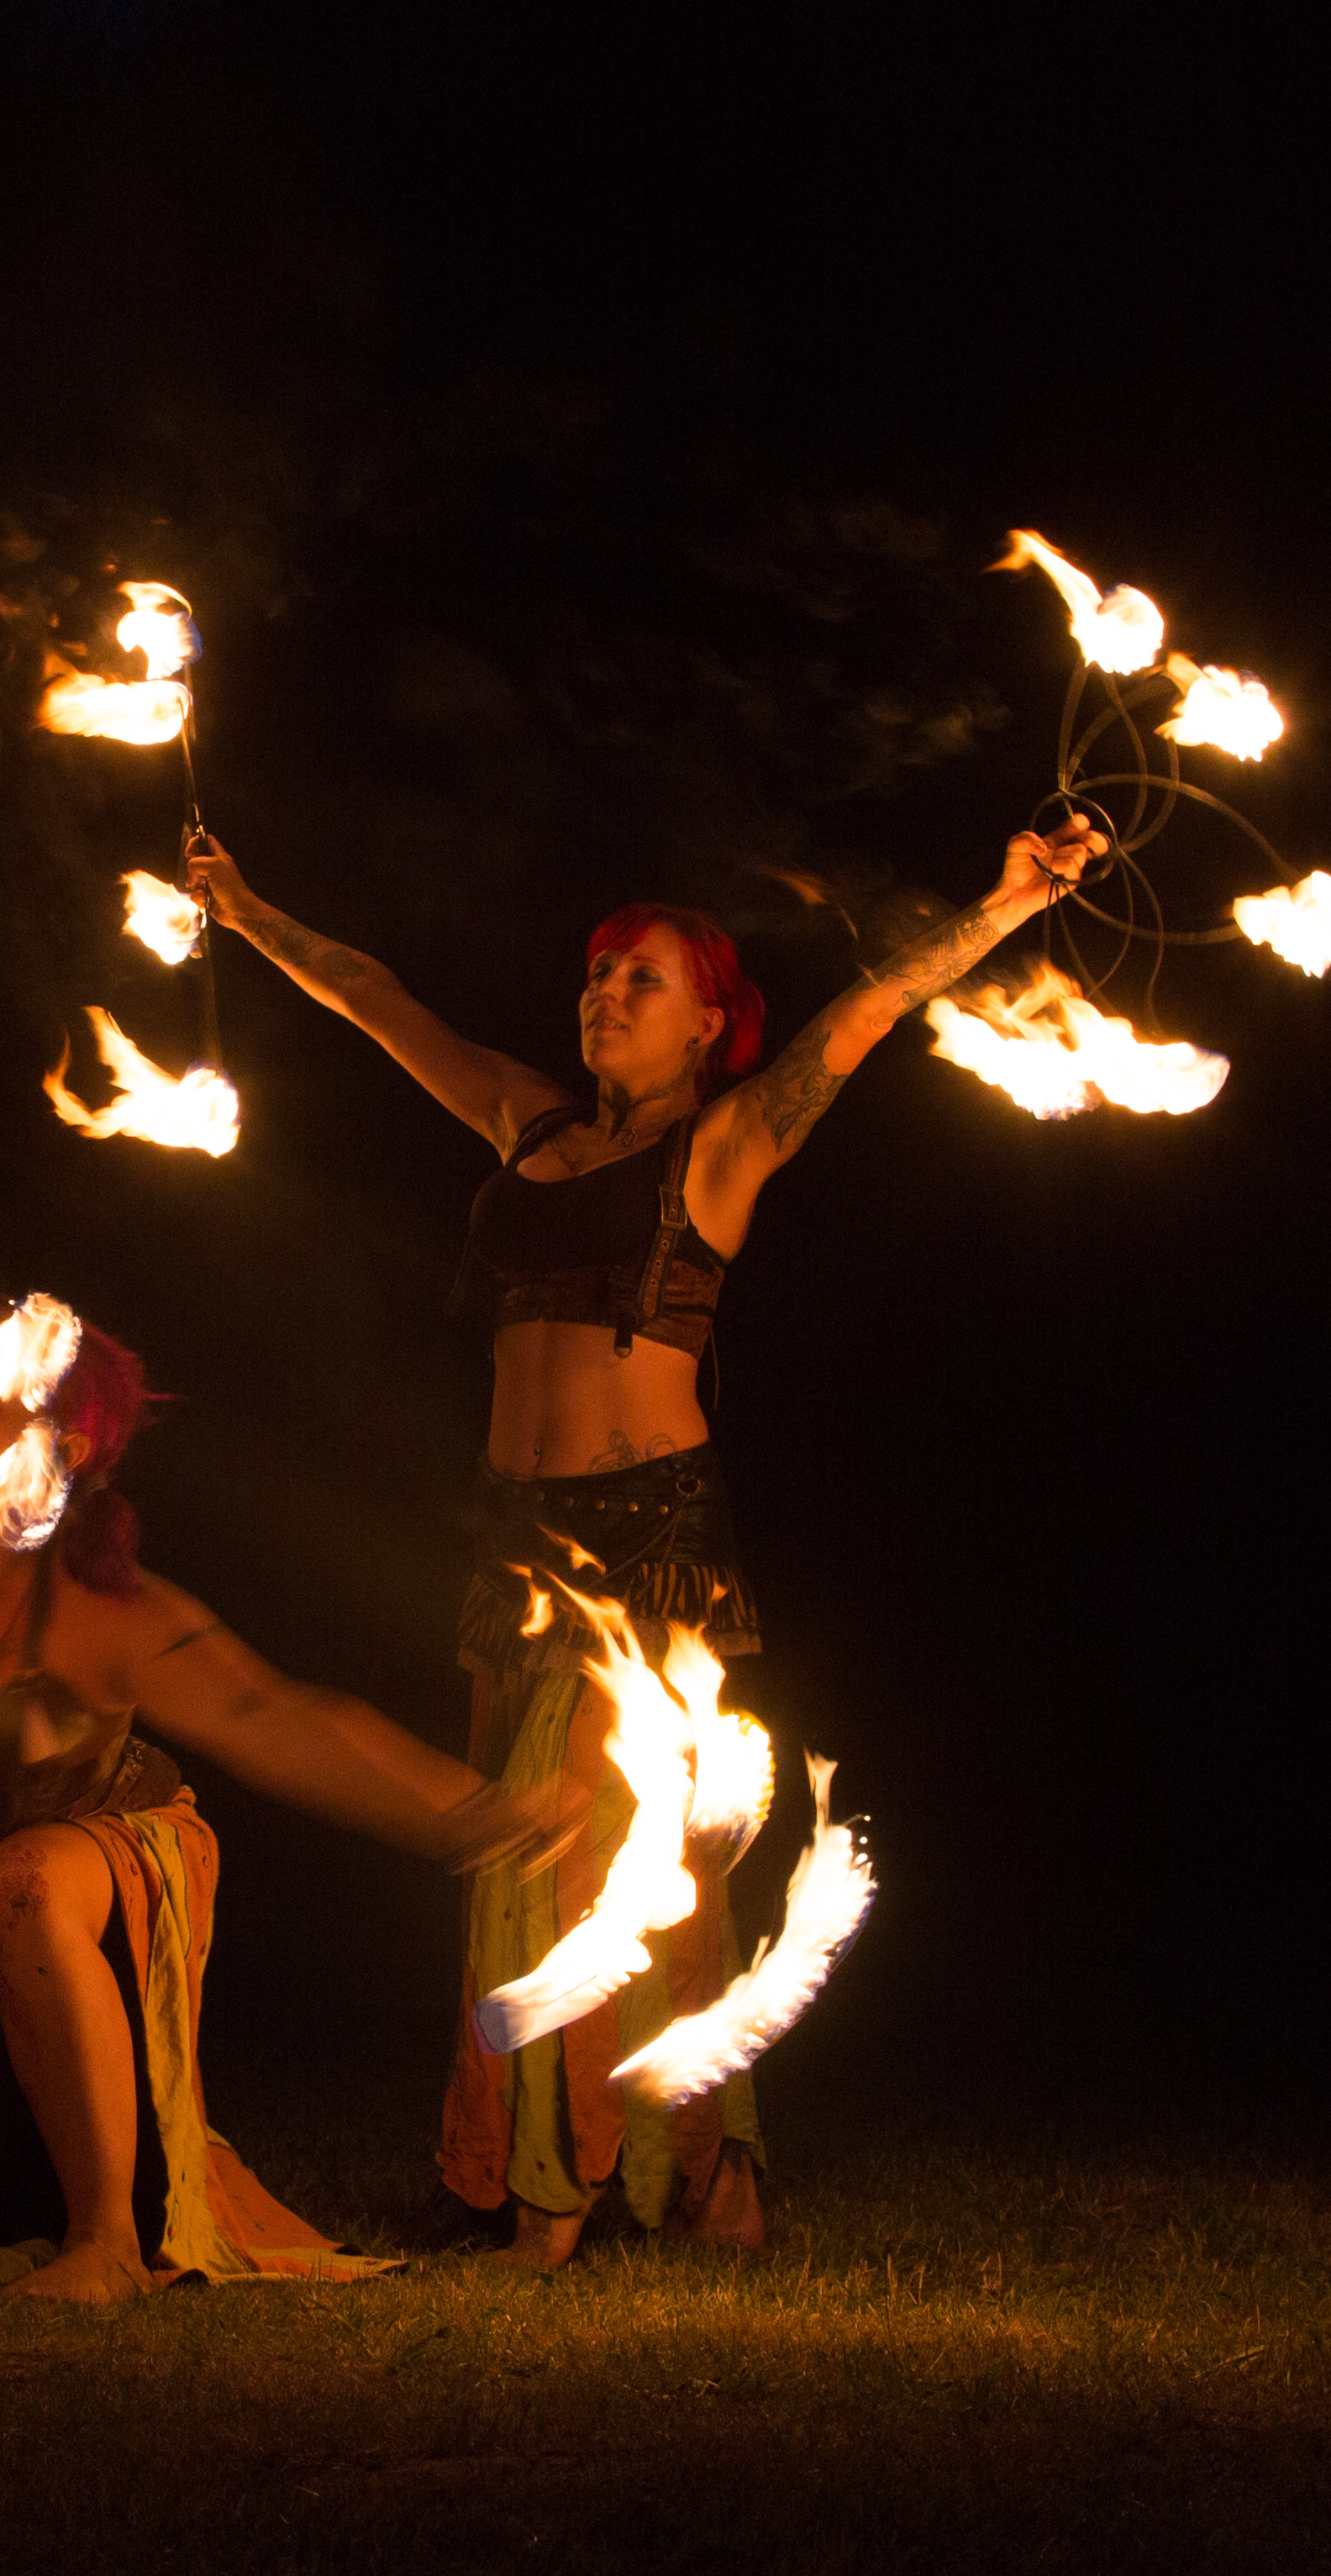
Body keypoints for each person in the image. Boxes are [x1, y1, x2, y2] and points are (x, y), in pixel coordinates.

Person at [179, 812, 1106, 2265]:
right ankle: (607, 2170)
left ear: (710, 1027)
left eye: (643, 980)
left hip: (648, 1542)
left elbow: (870, 1011)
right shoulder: (528, 1123)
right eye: (600, 972)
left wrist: (1003, 907)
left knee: (586, 1859)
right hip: (512, 1541)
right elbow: (375, 998)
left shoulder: (727, 1145)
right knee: (529, 1848)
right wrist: (243, 908)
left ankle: (571, 2195)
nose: (605, 993)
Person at [0, 1277, 571, 2305]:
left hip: (87, 1862)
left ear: (64, 1449)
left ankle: (107, 2242)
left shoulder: (100, 1613)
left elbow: (277, 1719)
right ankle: (1, 2201)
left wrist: (479, 1816)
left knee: (20, 1883)